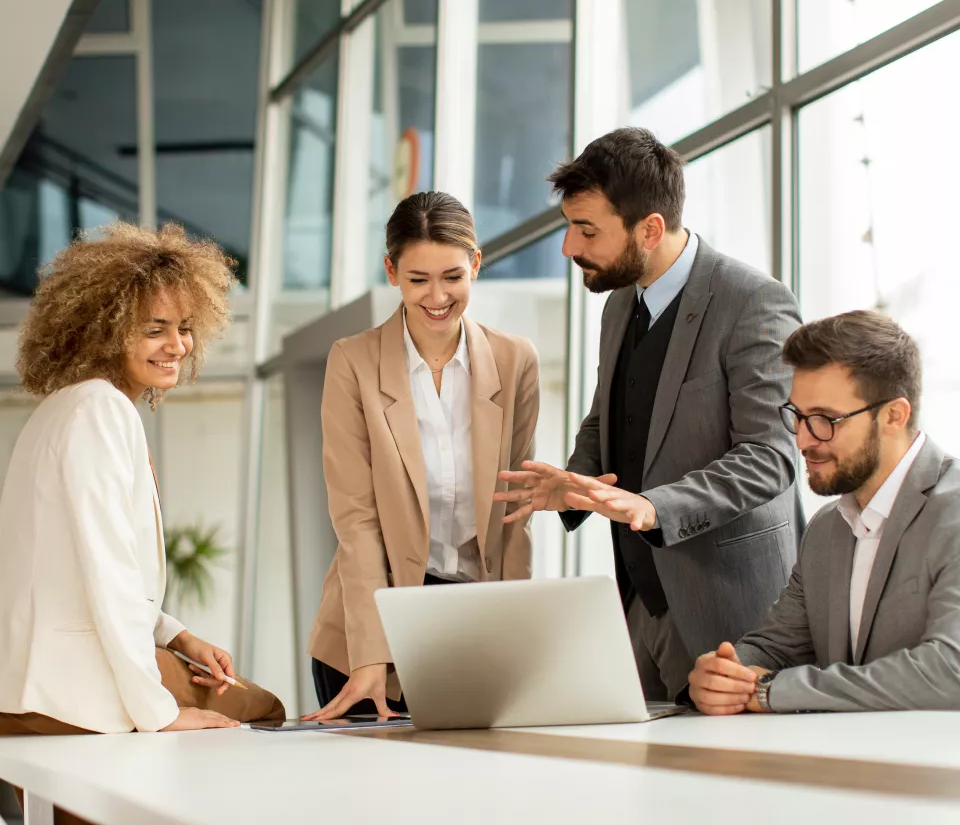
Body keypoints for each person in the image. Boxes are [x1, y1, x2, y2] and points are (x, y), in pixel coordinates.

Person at [496, 127, 804, 701]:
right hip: (640, 600)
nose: (569, 247)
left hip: (733, 611)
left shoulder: (753, 301)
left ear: (651, 228)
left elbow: (772, 457)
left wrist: (652, 506)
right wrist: (574, 481)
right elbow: (607, 414)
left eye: (586, 230)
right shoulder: (619, 303)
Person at [0, 223, 284, 754]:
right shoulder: (100, 410)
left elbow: (76, 569)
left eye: (184, 327)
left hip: (29, 695)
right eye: (155, 329)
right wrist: (159, 712)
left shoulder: (64, 409)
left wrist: (177, 636)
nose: (176, 345)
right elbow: (107, 570)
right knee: (262, 710)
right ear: (105, 329)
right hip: (73, 697)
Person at [304, 191, 540, 720]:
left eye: (453, 277)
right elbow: (356, 520)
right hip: (372, 629)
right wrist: (370, 654)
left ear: (476, 264)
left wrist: (517, 639)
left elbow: (515, 513)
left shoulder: (515, 359)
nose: (438, 296)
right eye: (418, 280)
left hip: (473, 624)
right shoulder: (353, 362)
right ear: (391, 271)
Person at [688, 311, 960, 714]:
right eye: (797, 416)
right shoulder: (827, 527)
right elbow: (775, 645)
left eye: (824, 420)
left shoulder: (952, 511)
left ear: (893, 416)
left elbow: (949, 673)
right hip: (842, 766)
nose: (802, 439)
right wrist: (725, 674)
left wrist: (772, 691)